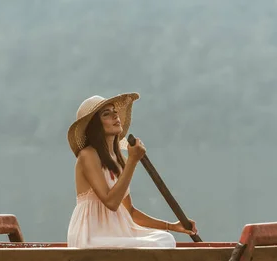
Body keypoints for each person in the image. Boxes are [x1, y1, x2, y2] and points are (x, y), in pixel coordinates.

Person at [66, 92, 198, 248]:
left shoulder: (116, 159)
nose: (115, 116)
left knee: (166, 238)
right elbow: (111, 203)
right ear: (95, 125)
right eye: (106, 114)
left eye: (115, 111)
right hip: (91, 234)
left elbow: (130, 212)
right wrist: (133, 161)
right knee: (162, 242)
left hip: (116, 231)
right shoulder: (88, 154)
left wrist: (172, 226)